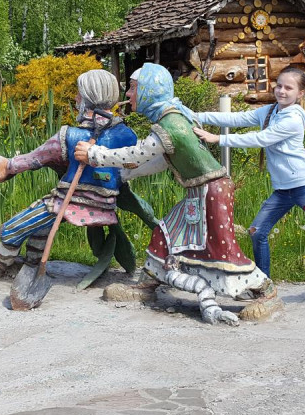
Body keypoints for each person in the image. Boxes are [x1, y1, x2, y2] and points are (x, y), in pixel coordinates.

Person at [75, 63, 274, 327]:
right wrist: (126, 174)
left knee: (223, 248)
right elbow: (162, 160)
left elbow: (139, 153)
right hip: (202, 190)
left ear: (150, 90)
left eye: (133, 88)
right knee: (165, 233)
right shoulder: (173, 118)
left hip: (211, 192)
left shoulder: (170, 124)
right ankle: (148, 284)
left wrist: (95, 155)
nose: (129, 94)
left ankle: (266, 292)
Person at [191, 67, 305, 312]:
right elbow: (236, 119)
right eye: (279, 85)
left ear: (300, 93)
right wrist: (194, 114)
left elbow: (261, 139)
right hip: (282, 190)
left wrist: (218, 139)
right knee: (257, 231)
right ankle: (263, 286)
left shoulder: (293, 118)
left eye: (288, 87)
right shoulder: (271, 111)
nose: (281, 91)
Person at [0, 69, 147, 280]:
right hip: (106, 204)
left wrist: (6, 165)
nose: (76, 98)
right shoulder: (128, 134)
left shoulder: (70, 136)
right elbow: (128, 167)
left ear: (88, 98)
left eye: (79, 94)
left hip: (70, 201)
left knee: (12, 228)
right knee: (41, 227)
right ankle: (32, 264)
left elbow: (34, 159)